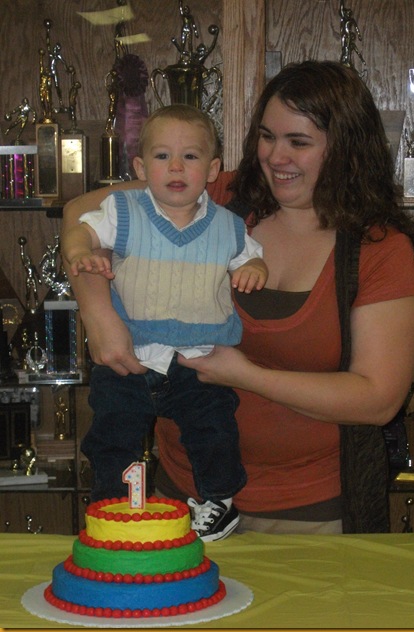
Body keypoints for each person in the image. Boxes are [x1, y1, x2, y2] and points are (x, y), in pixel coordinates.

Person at [63, 60, 414, 535]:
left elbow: (377, 399)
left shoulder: (380, 250)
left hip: (309, 512)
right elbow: (81, 214)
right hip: (181, 494)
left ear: (345, 148)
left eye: (298, 142)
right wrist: (99, 317)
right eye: (267, 136)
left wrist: (246, 376)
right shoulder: (216, 195)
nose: (276, 156)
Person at [62, 104, 267, 541]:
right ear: (140, 168)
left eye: (190, 156)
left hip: (198, 361)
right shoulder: (123, 210)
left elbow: (251, 257)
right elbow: (81, 227)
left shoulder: (229, 226)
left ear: (212, 170)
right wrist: (81, 251)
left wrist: (254, 270)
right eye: (162, 156)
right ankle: (109, 508)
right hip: (131, 358)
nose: (176, 167)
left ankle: (218, 499)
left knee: (214, 431)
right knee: (112, 435)